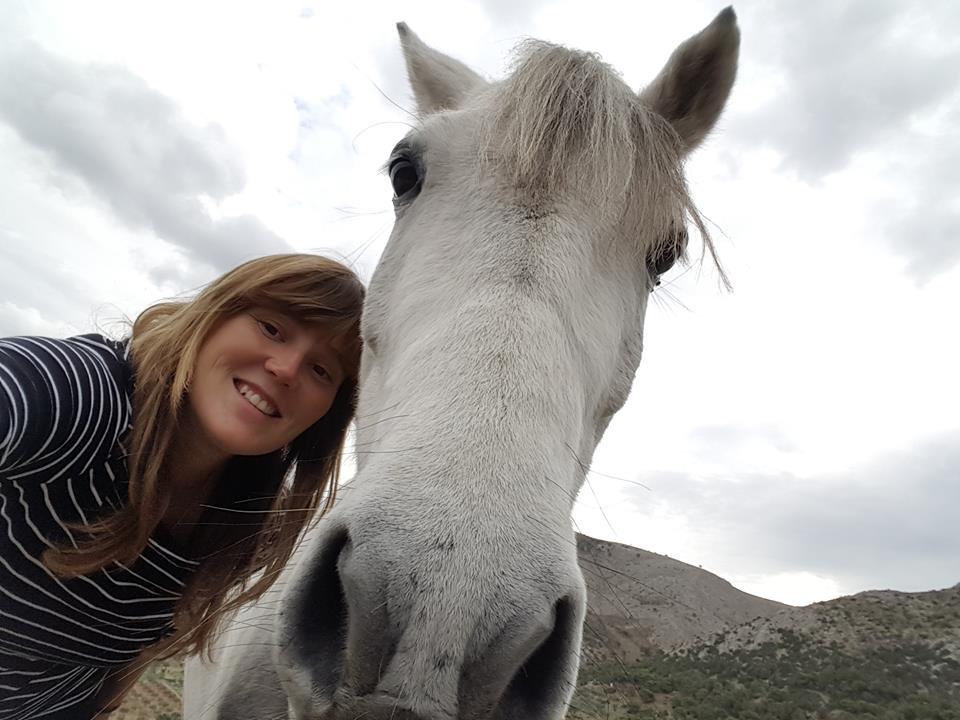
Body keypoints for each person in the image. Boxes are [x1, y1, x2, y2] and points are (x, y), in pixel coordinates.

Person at [0, 254, 364, 719]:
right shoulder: (81, 398)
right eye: (272, 328)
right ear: (214, 315)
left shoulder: (248, 517)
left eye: (322, 370)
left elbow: (122, 657)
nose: (287, 368)